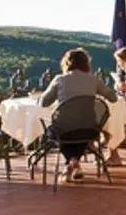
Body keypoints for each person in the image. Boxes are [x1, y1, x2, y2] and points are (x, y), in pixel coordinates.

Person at [39, 48, 117, 182]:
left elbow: (44, 103)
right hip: (89, 129)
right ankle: (74, 163)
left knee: (57, 130)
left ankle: (71, 161)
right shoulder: (93, 79)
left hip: (64, 129)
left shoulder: (59, 79)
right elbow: (113, 98)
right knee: (82, 131)